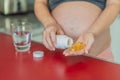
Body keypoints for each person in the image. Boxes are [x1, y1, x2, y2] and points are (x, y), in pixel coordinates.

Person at [34, 0, 120, 58]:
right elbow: (40, 3)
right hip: (56, 56)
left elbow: (114, 4)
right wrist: (50, 23)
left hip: (98, 56)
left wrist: (92, 32)